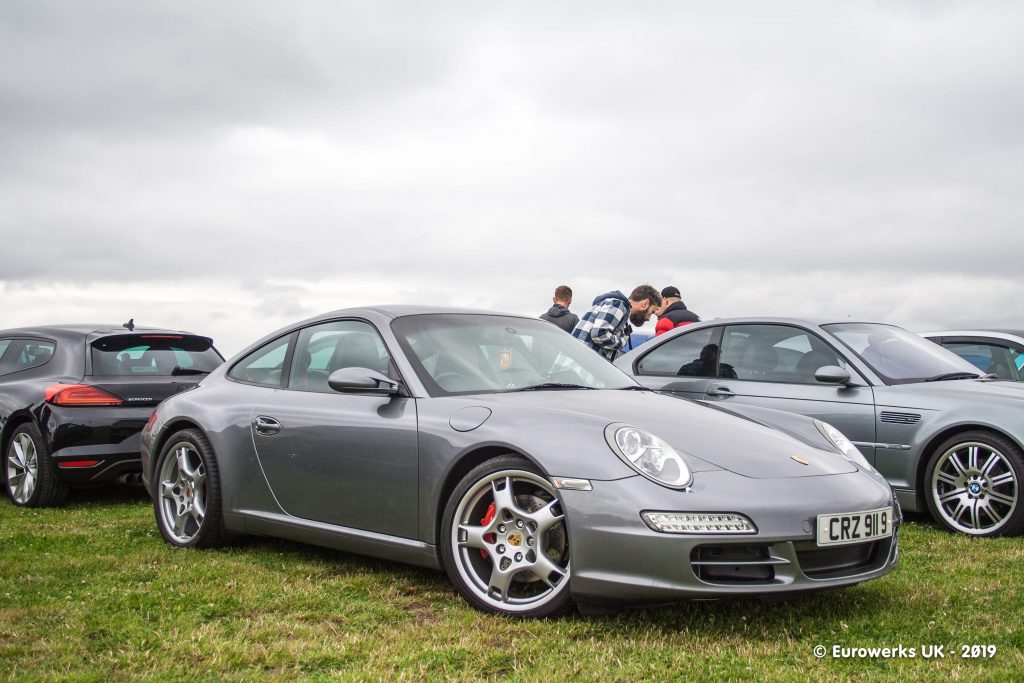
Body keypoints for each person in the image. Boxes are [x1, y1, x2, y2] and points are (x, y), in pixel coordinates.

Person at [572, 285, 662, 361]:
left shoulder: (617, 307)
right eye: (651, 312)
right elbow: (599, 334)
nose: (648, 319)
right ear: (645, 304)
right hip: (582, 362)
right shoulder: (617, 304)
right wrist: (622, 342)